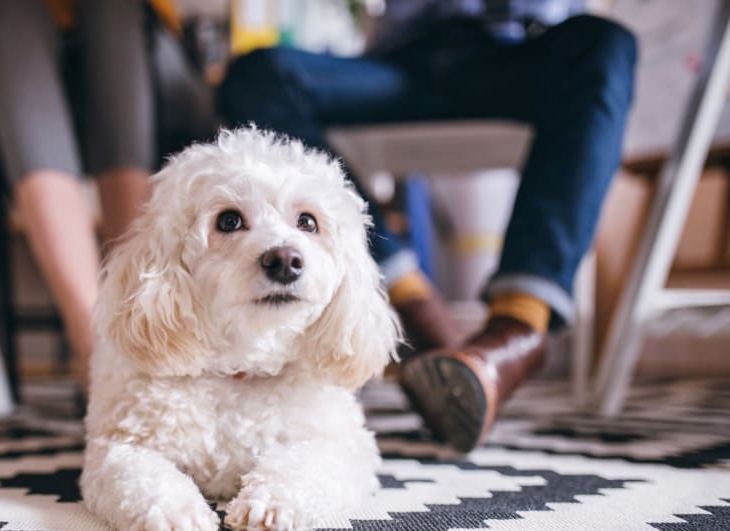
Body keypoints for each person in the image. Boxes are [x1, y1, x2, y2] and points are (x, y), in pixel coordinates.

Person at [218, 0, 637, 451]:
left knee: (606, 44)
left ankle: (516, 334)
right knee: (258, 75)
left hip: (525, 52)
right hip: (404, 63)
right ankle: (415, 309)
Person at [0, 0, 215, 388]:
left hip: (152, 64)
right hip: (27, 59)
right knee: (7, 11)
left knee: (113, 12)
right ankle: (92, 340)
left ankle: (138, 319)